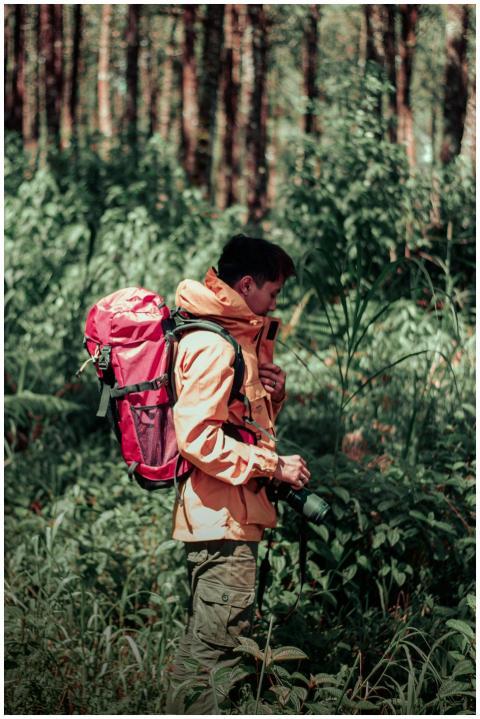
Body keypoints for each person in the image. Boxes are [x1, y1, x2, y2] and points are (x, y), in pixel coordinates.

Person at [165, 234, 311, 714]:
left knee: (208, 648)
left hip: (228, 515)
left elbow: (239, 427)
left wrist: (276, 394)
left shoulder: (234, 337)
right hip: (221, 520)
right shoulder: (214, 344)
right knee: (214, 654)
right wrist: (275, 466)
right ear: (246, 285)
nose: (275, 304)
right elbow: (199, 439)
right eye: (272, 293)